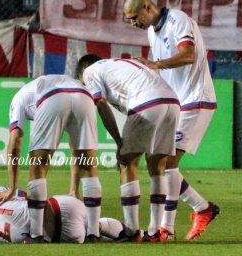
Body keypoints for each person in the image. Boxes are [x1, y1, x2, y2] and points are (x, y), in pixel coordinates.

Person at [122, 0, 220, 241]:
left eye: (134, 17)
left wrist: (157, 64)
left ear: (147, 6)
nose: (133, 24)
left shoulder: (178, 20)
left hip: (196, 99)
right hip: (176, 103)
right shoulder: (151, 32)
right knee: (159, 163)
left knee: (166, 163)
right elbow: (161, 72)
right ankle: (202, 208)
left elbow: (189, 55)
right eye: (129, 20)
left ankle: (167, 228)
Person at [76, 55, 180, 242]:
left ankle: (131, 231)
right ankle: (155, 231)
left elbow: (101, 105)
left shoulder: (89, 72)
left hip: (148, 102)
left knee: (127, 161)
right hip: (172, 102)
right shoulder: (115, 65)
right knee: (157, 167)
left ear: (82, 74)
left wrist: (118, 141)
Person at [0, 74, 102, 243]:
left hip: (52, 97)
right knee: (88, 166)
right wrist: (73, 189)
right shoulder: (55, 83)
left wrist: (12, 188)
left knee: (38, 166)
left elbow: (15, 143)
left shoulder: (19, 99)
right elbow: (74, 146)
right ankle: (94, 234)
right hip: (85, 96)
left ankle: (36, 235)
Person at [0, 186, 128, 243]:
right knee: (96, 224)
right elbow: (23, 195)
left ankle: (108, 233)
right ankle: (132, 232)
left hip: (56, 234)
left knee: (90, 235)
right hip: (63, 206)